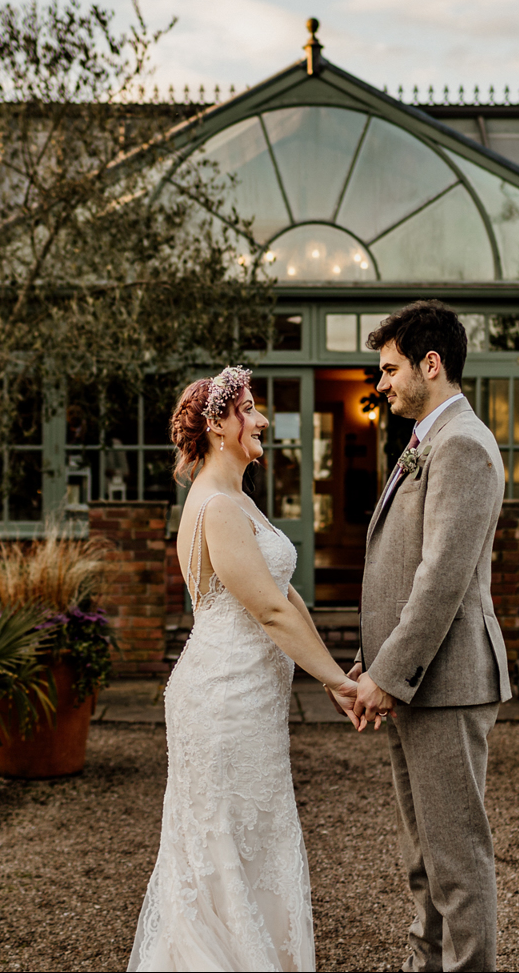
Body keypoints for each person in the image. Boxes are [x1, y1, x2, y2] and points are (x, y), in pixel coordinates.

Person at [128, 366, 362, 972]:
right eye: (250, 409)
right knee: (223, 848)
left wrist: (331, 671)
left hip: (248, 699)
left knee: (248, 841)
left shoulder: (237, 499)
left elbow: (288, 598)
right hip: (225, 699)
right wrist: (338, 682)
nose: (261, 420)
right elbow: (268, 612)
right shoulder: (218, 506)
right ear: (217, 425)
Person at [341, 300, 512, 972]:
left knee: (456, 860)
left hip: (447, 682)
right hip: (414, 683)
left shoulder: (462, 444)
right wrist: (372, 663)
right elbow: (401, 565)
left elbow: (441, 579)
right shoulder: (424, 440)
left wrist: (388, 673)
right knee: (423, 860)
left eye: (390, 369)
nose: (381, 383)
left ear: (430, 364)